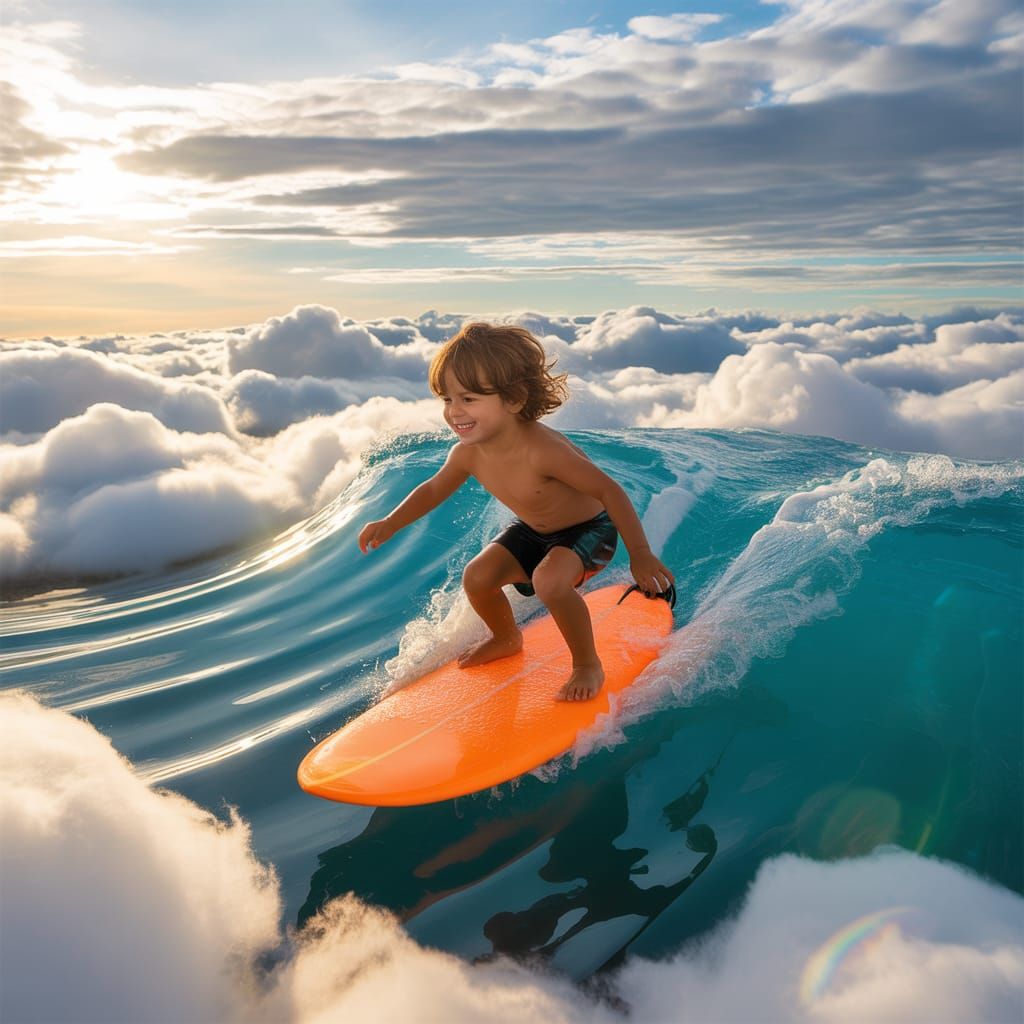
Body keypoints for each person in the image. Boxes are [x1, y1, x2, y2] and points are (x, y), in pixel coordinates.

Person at [358, 322, 675, 702]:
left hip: (589, 531)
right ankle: (507, 638)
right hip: (533, 531)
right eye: (447, 399)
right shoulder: (468, 453)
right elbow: (433, 489)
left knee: (550, 583)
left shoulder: (543, 450)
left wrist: (639, 554)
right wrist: (391, 522)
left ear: (514, 399)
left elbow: (609, 490)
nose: (454, 412)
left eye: (469, 399)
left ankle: (588, 664)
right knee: (477, 577)